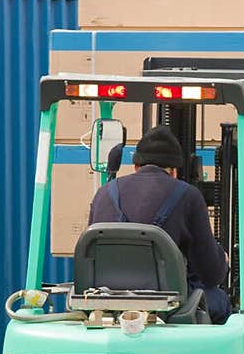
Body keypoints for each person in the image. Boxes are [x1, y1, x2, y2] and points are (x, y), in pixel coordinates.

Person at [88, 124, 231, 323]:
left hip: (107, 306)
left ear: (136, 166)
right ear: (173, 171)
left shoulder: (104, 194)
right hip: (165, 308)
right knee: (220, 301)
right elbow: (211, 274)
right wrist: (222, 261)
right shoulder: (188, 196)